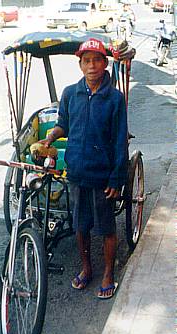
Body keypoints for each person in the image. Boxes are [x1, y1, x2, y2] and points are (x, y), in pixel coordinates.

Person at [39, 38, 128, 299]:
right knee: (80, 226)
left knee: (106, 228)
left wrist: (117, 176)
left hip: (102, 175)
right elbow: (63, 124)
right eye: (86, 61)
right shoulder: (70, 93)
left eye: (96, 60)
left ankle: (108, 273)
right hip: (76, 172)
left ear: (104, 64)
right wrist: (51, 137)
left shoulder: (115, 99)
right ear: (80, 65)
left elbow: (120, 139)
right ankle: (87, 267)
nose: (91, 66)